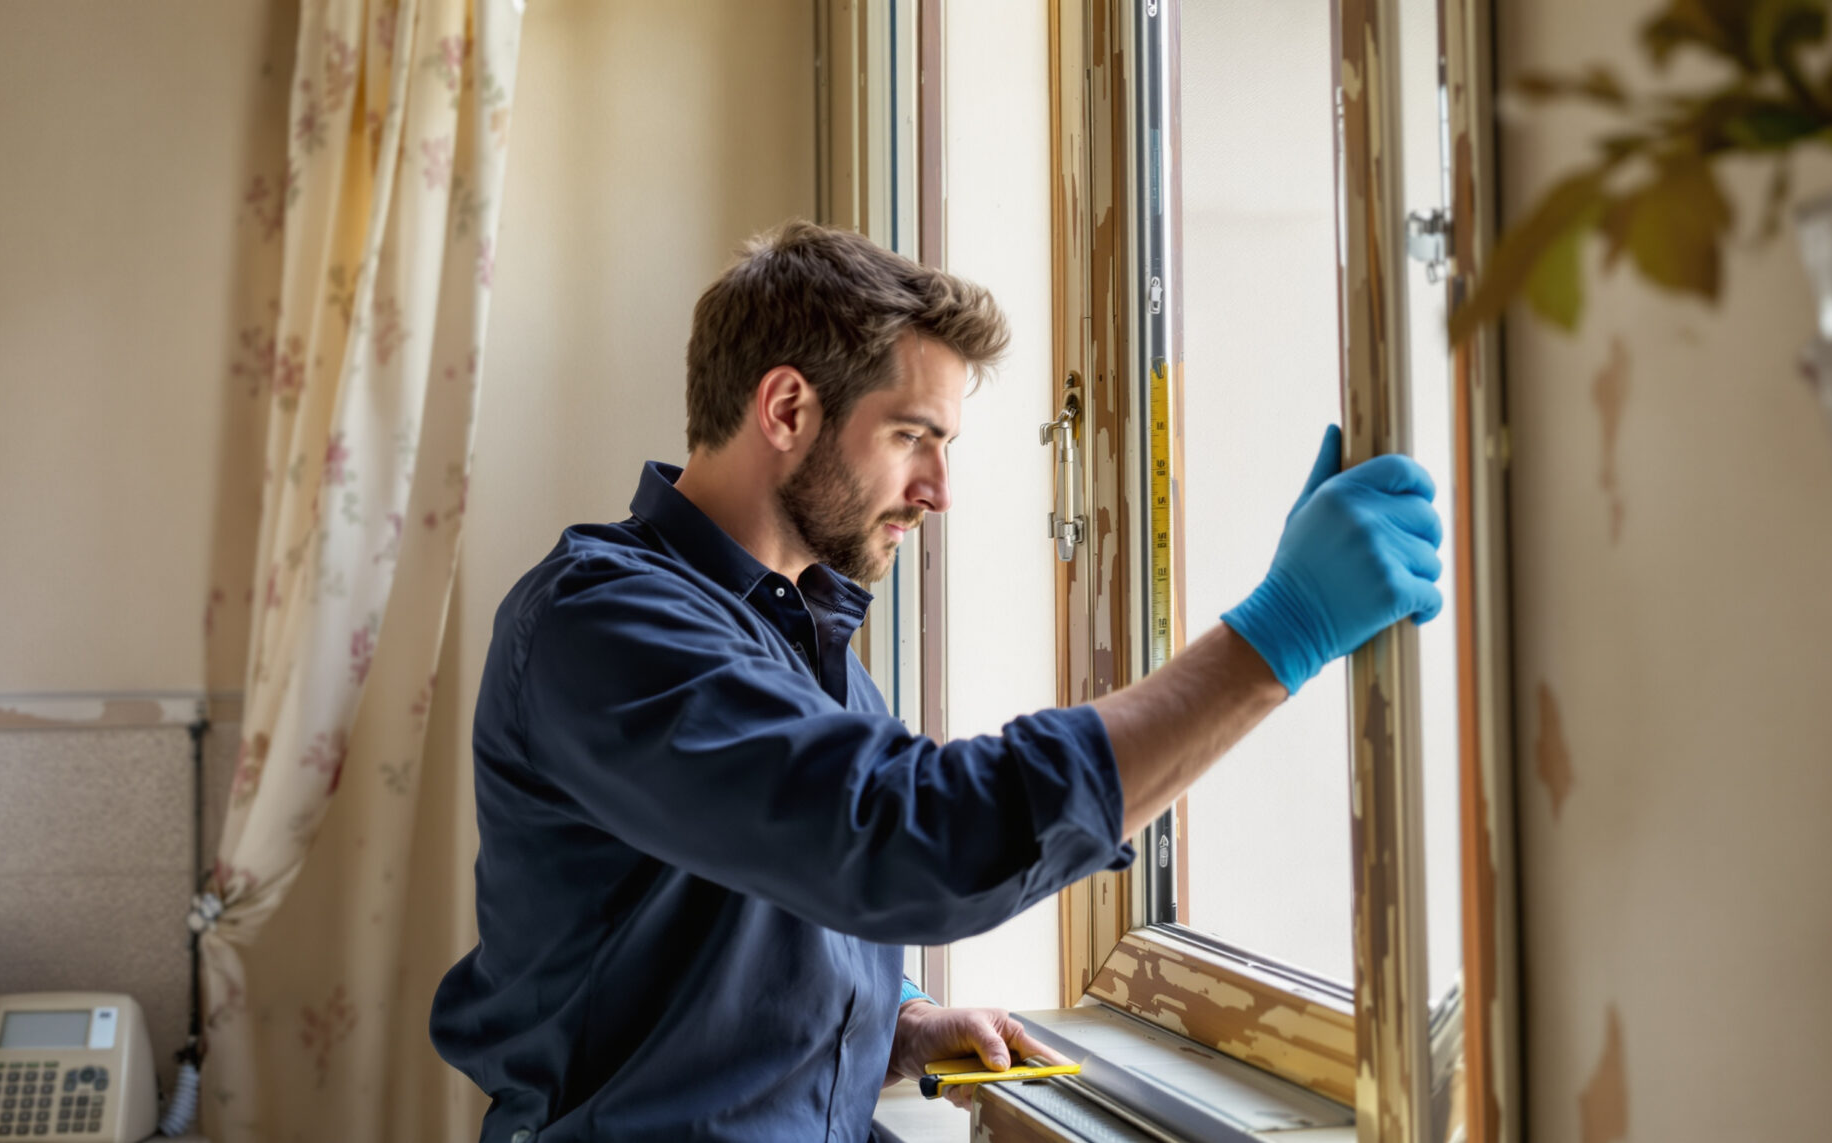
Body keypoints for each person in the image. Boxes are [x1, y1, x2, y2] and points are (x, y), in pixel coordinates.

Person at [429, 221, 1443, 1142]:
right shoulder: (602, 624)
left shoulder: (792, 635)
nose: (938, 491)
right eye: (913, 435)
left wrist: (892, 1021)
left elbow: (750, 900)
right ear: (785, 406)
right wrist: (1275, 639)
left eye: (945, 446)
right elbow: (898, 839)